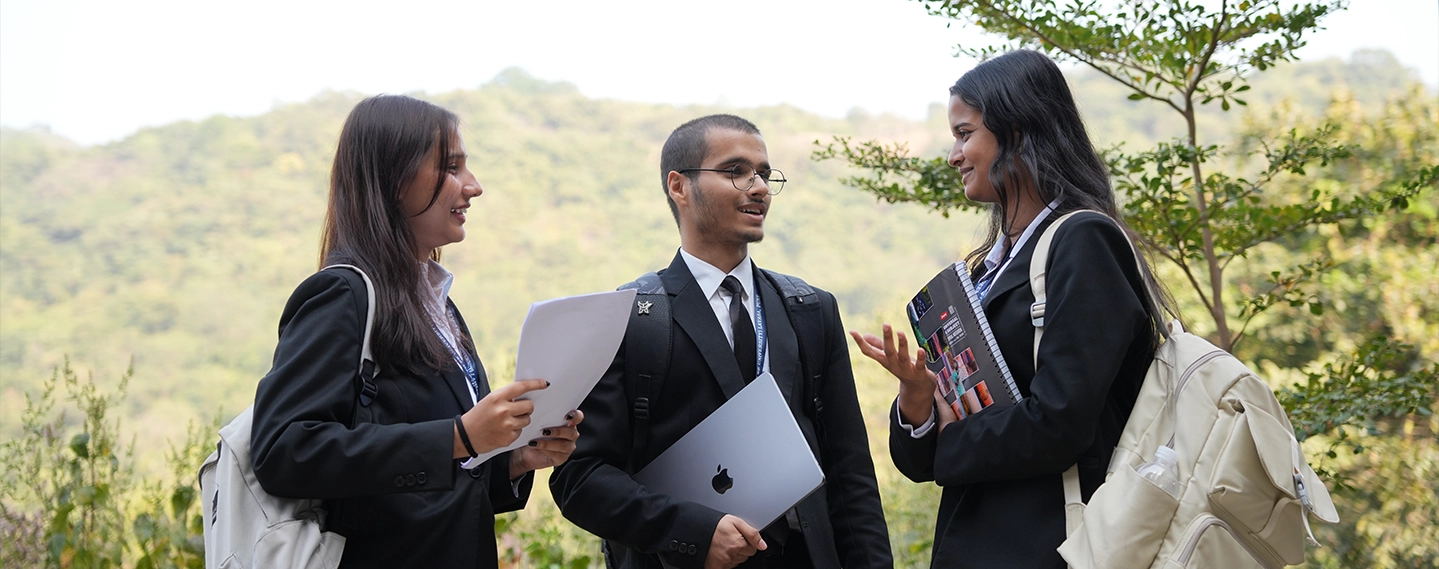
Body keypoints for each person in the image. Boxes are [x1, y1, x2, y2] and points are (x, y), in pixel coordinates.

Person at [851, 50, 1171, 568]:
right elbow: (917, 461)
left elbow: (1061, 423)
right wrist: (917, 399)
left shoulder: (1084, 240)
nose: (954, 155)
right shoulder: (985, 270)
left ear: (1017, 131)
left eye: (964, 133)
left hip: (1055, 543)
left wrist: (947, 444)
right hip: (980, 540)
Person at [250, 94, 583, 569]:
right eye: (451, 168)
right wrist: (458, 437)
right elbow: (284, 450)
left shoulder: (439, 308)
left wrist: (512, 460)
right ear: (394, 180)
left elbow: (426, 480)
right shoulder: (341, 295)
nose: (474, 187)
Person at [550, 114, 893, 569]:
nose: (760, 188)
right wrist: (692, 531)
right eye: (736, 172)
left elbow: (850, 474)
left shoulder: (811, 309)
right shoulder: (628, 318)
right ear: (679, 186)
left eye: (765, 175)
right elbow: (580, 477)